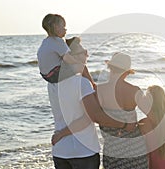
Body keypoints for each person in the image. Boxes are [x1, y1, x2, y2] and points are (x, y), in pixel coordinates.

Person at [38, 14, 135, 169]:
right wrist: (124, 125)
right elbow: (91, 117)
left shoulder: (52, 84)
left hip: (60, 151)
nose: (87, 54)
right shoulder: (81, 83)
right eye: (83, 51)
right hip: (83, 152)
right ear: (72, 56)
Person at [96, 52, 149, 169]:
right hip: (136, 146)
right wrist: (139, 125)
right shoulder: (134, 90)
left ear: (110, 68)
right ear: (127, 72)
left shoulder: (100, 90)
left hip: (113, 148)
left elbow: (96, 117)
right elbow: (152, 114)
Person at [37, 13, 95, 87]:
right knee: (82, 67)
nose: (65, 29)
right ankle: (93, 85)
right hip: (54, 74)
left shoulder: (45, 42)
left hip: (45, 76)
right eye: (63, 27)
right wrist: (78, 63)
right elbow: (68, 59)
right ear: (56, 27)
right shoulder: (58, 41)